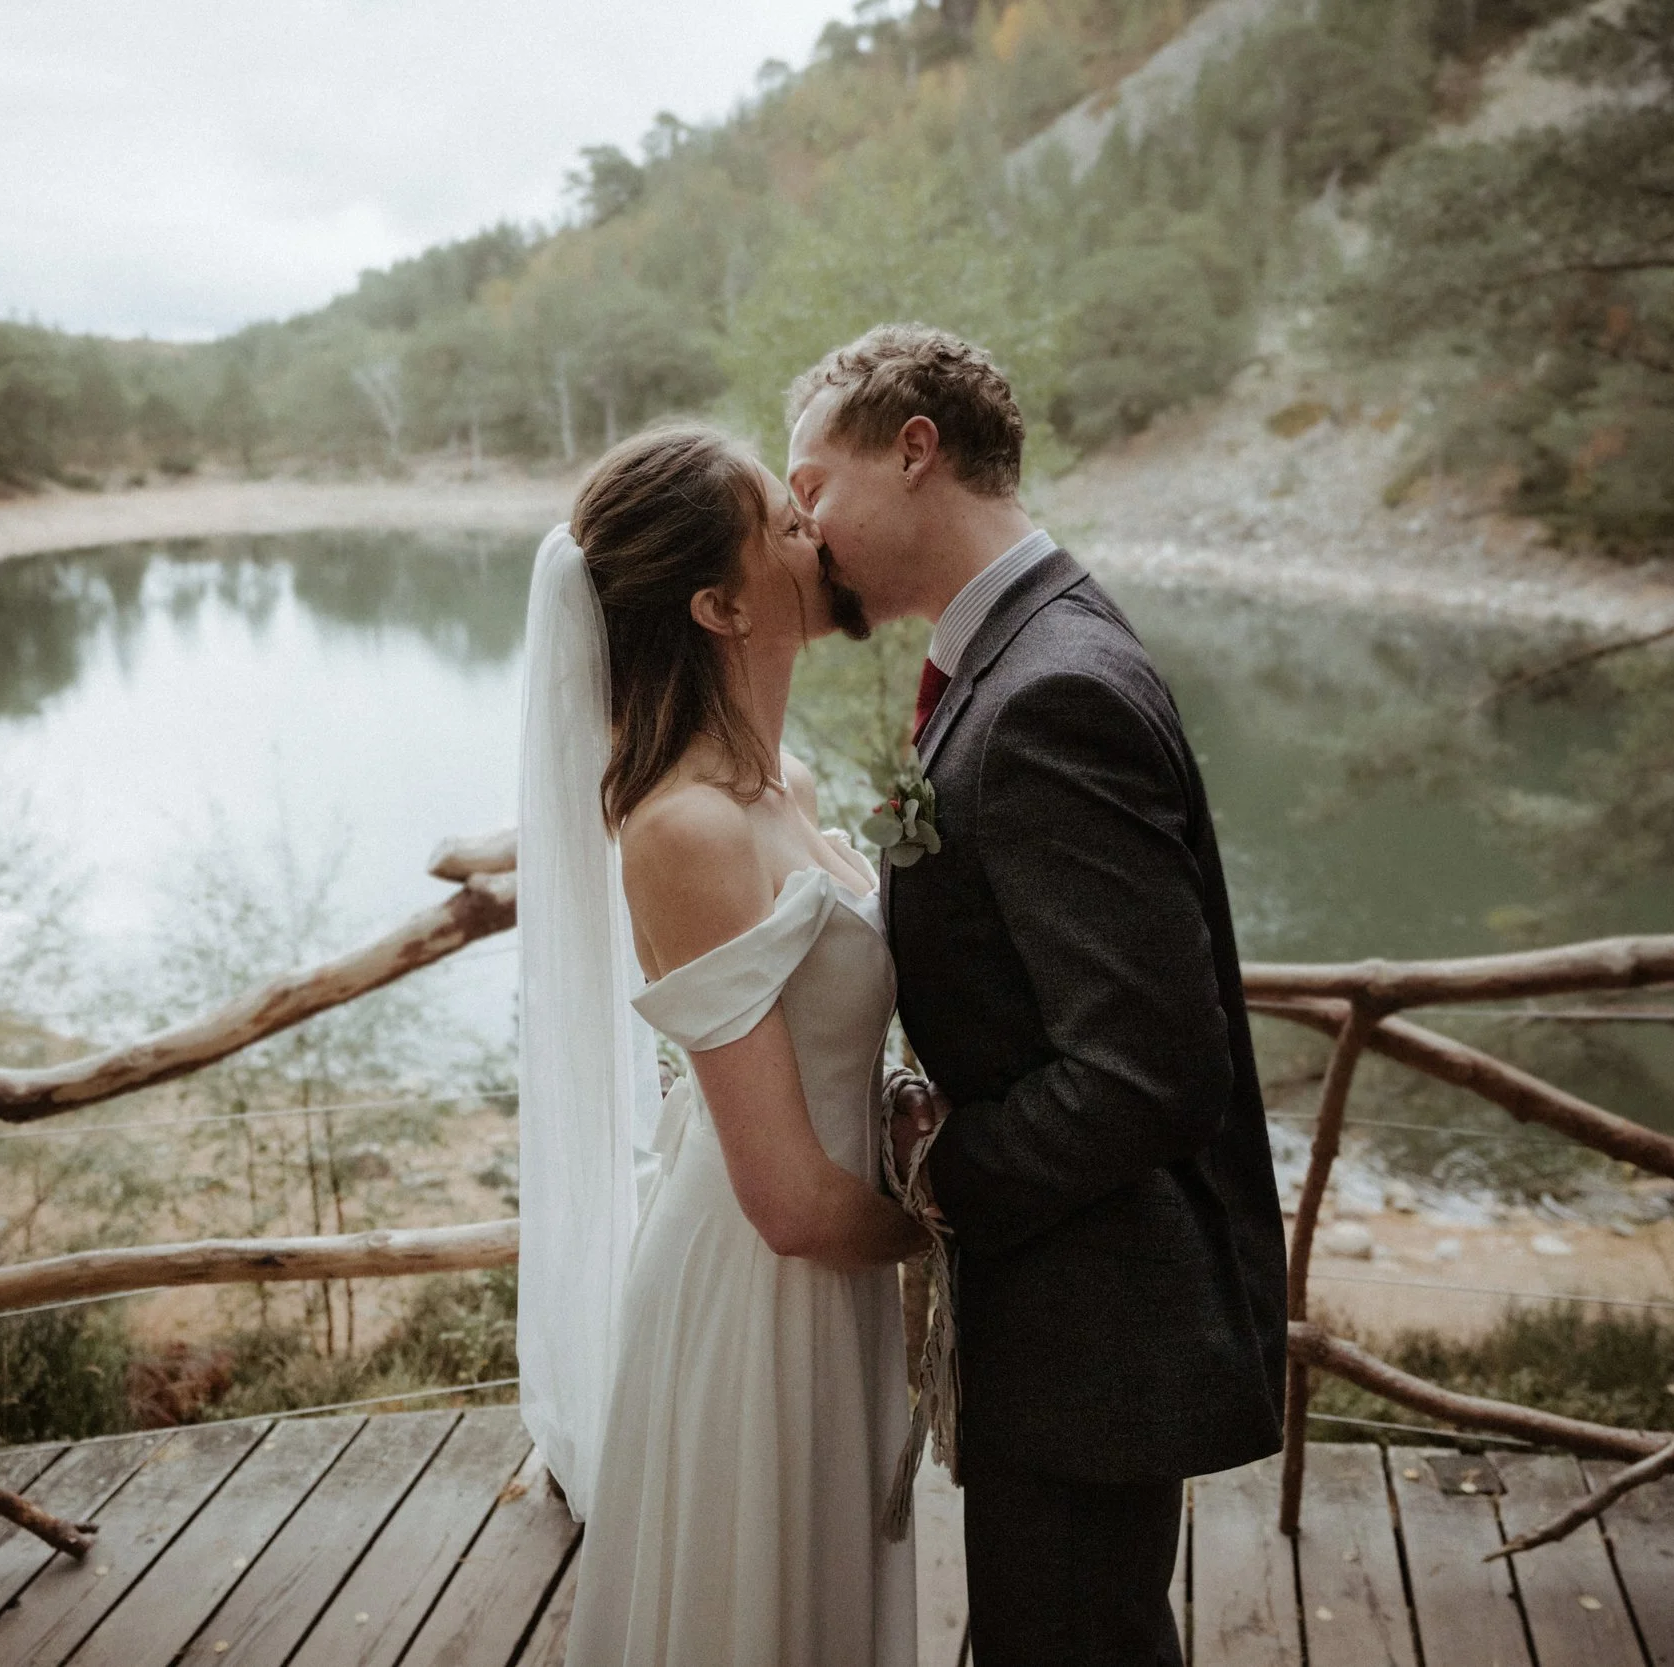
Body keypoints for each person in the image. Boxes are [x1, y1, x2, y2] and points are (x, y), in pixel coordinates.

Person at [787, 324, 1288, 1667]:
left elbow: (1150, 1066)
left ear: (914, 450)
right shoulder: (1028, 649)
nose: (800, 521)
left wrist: (945, 1168)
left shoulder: (1052, 689)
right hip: (1073, 1310)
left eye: (812, 483)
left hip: (1094, 1321)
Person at [514, 423, 926, 1667]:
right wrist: (970, 1224)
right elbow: (790, 1199)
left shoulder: (786, 784)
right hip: (763, 1287)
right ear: (717, 604)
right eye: (779, 519)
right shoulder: (683, 828)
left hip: (837, 1268)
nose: (813, 518)